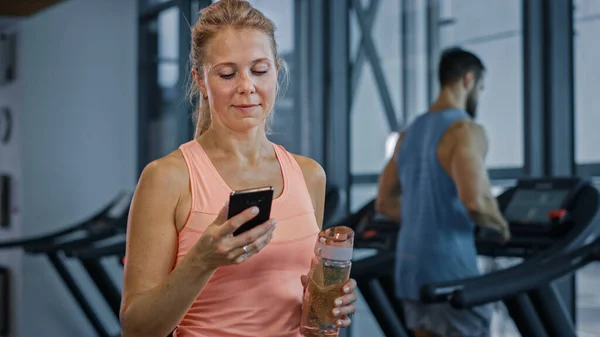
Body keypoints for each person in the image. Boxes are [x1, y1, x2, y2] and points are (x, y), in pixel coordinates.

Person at [119, 1, 358, 336]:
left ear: (277, 70)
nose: (246, 86)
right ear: (200, 81)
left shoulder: (309, 175)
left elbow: (293, 308)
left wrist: (324, 307)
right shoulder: (168, 179)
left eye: (259, 71)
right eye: (228, 74)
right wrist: (202, 260)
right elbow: (136, 328)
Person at [375, 47, 511, 337]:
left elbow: (384, 202)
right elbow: (475, 201)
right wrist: (501, 226)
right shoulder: (465, 129)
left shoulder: (408, 134)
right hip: (451, 272)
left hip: (411, 271)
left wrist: (422, 218)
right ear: (468, 80)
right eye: (480, 88)